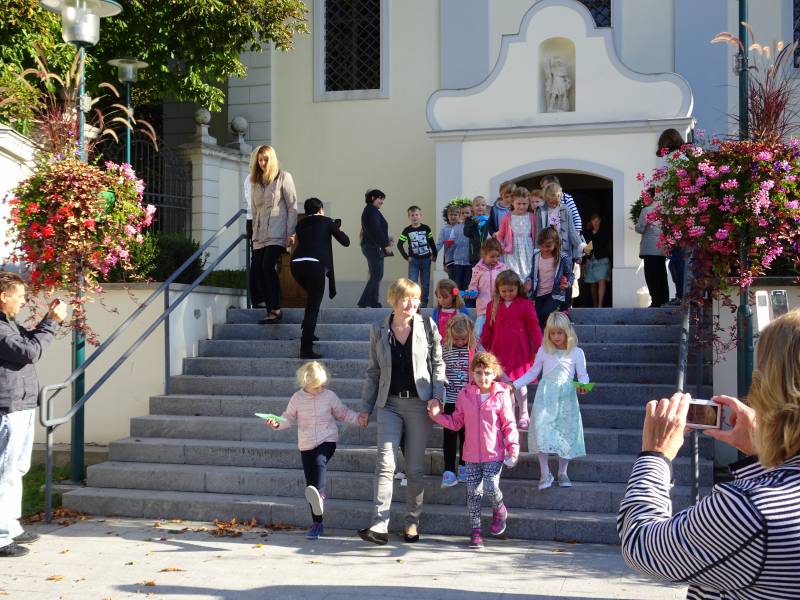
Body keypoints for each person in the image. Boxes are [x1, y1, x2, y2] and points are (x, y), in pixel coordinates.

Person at [618, 310, 800, 599]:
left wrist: (655, 455)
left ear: (773, 390)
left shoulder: (749, 511)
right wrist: (765, 452)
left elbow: (641, 545)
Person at [357, 278, 445, 545]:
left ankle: (412, 522)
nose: (412, 303)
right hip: (390, 404)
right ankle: (379, 525)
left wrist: (437, 397)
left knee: (415, 468)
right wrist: (365, 407)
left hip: (419, 404)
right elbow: (373, 372)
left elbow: (438, 364)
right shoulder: (378, 329)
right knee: (385, 464)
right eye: (406, 298)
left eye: (416, 298)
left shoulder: (428, 326)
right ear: (393, 299)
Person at [0, 271, 66, 558]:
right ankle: (1, 536)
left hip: (22, 405)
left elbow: (30, 342)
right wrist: (52, 322)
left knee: (17, 469)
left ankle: (10, 526)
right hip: (8, 408)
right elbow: (30, 352)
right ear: (3, 296)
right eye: (20, 296)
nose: (23, 301)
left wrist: (49, 319)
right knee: (4, 472)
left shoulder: (8, 324)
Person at [428, 351, 519, 549]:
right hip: (470, 454)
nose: (482, 377)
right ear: (472, 373)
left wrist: (513, 449)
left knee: (490, 487)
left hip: (494, 453)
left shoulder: (501, 394)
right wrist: (437, 416)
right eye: (478, 372)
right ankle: (476, 531)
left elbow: (509, 425)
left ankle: (500, 508)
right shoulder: (465, 394)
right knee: (473, 494)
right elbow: (456, 422)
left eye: (487, 373)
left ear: (494, 373)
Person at [264, 361, 363, 540]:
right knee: (311, 486)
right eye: (317, 386)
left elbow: (343, 413)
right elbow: (288, 417)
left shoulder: (329, 396)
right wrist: (277, 423)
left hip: (327, 440)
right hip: (306, 444)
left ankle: (321, 495)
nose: (321, 388)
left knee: (320, 462)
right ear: (306, 383)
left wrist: (358, 419)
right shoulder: (297, 398)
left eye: (323, 384)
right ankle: (317, 523)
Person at [513, 312, 589, 490]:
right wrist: (514, 385)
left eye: (559, 333)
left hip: (567, 398)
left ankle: (563, 472)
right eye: (552, 333)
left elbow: (583, 375)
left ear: (567, 332)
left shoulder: (577, 353)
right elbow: (533, 372)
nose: (556, 337)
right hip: (545, 397)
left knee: (566, 433)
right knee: (542, 431)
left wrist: (583, 386)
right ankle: (544, 472)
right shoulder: (543, 351)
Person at [480, 270, 542, 429]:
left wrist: (540, 347)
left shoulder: (526, 304)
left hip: (519, 351)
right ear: (498, 290)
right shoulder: (492, 305)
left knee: (520, 382)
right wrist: (482, 345)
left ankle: (524, 413)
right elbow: (488, 328)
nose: (507, 294)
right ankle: (509, 416)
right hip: (498, 350)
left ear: (518, 288)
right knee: (504, 384)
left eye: (511, 290)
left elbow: (534, 327)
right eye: (504, 291)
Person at [290, 197, 350, 359]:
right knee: (313, 307)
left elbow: (313, 236)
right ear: (321, 209)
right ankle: (306, 348)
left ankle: (308, 332)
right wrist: (337, 228)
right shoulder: (327, 221)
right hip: (314, 265)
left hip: (296, 264)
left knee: (311, 299)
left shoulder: (300, 224)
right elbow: (346, 242)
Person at [245, 145, 298, 324]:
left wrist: (290, 232)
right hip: (259, 235)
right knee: (258, 270)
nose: (262, 163)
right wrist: (253, 234)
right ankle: (269, 309)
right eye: (260, 159)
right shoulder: (255, 181)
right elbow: (254, 210)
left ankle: (276, 308)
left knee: (267, 266)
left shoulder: (284, 177)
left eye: (266, 159)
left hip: (277, 232)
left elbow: (292, 206)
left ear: (272, 159)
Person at [439, 315, 481, 487]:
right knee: (449, 436)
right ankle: (449, 470)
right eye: (456, 339)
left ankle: (464, 466)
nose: (459, 342)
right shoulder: (444, 349)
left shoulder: (474, 349)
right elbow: (437, 369)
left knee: (467, 436)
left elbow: (485, 366)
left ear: (469, 335)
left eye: (463, 339)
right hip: (450, 401)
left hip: (469, 401)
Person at [657, 129, 687, 305]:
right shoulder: (679, 158)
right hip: (674, 214)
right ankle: (680, 294)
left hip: (674, 215)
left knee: (676, 258)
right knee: (675, 259)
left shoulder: (674, 159)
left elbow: (668, 188)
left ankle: (681, 295)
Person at [527, 227, 574, 328]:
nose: (545, 249)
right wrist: (528, 281)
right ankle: (544, 337)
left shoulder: (562, 257)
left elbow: (570, 274)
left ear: (555, 243)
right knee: (536, 318)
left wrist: (568, 284)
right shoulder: (536, 256)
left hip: (554, 293)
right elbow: (532, 274)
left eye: (548, 246)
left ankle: (564, 316)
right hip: (539, 293)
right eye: (542, 246)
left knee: (544, 314)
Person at [358, 189, 393, 308]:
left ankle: (373, 301)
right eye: (380, 198)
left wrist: (385, 241)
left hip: (372, 246)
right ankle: (364, 301)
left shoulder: (371, 210)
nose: (382, 202)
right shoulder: (371, 210)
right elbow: (375, 229)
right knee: (377, 274)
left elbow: (376, 229)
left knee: (377, 274)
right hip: (373, 246)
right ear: (373, 198)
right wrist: (385, 245)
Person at [397, 205, 437, 307]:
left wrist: (435, 254)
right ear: (409, 217)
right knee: (412, 283)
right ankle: (413, 303)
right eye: (412, 215)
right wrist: (406, 257)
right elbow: (399, 244)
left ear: (420, 216)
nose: (414, 217)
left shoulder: (426, 228)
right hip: (413, 261)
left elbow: (431, 242)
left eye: (416, 215)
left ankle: (424, 304)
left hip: (426, 260)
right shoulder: (407, 230)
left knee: (425, 283)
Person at [496, 186, 537, 282]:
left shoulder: (532, 217)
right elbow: (500, 235)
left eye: (524, 204)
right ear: (512, 202)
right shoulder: (507, 217)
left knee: (528, 273)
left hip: (528, 250)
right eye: (518, 203)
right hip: (512, 251)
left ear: (528, 203)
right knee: (513, 275)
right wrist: (502, 246)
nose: (521, 206)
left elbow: (536, 234)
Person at [468, 237, 506, 339]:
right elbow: (473, 286)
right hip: (483, 309)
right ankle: (477, 349)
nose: (495, 260)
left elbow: (508, 284)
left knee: (498, 334)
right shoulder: (477, 269)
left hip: (499, 308)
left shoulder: (503, 268)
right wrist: (471, 292)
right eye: (492, 256)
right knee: (478, 333)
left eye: (497, 256)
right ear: (484, 254)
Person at [635, 198, 668, 307]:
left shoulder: (646, 210)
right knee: (662, 274)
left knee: (651, 276)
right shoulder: (665, 210)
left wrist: (636, 225)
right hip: (662, 247)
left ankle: (656, 301)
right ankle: (664, 300)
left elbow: (640, 228)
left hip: (650, 248)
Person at [582, 213, 611, 308]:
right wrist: (584, 262)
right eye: (594, 220)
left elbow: (602, 243)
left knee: (601, 281)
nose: (596, 222)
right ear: (591, 221)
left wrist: (594, 235)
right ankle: (595, 304)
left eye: (597, 220)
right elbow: (587, 248)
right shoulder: (588, 233)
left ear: (600, 221)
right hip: (591, 261)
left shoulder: (604, 232)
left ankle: (600, 305)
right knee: (592, 283)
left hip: (602, 260)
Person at [436, 204, 461, 281]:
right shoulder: (444, 230)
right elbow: (439, 244)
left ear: (459, 216)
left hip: (462, 260)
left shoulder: (463, 228)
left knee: (461, 281)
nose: (453, 217)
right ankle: (454, 290)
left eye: (455, 215)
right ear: (447, 216)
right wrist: (433, 252)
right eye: (451, 215)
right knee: (452, 281)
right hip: (450, 260)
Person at [463, 195, 490, 267]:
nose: (480, 207)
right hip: (474, 253)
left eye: (483, 205)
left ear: (486, 207)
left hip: (487, 252)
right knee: (476, 272)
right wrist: (474, 223)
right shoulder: (469, 220)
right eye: (477, 205)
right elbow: (466, 233)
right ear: (472, 208)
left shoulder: (488, 220)